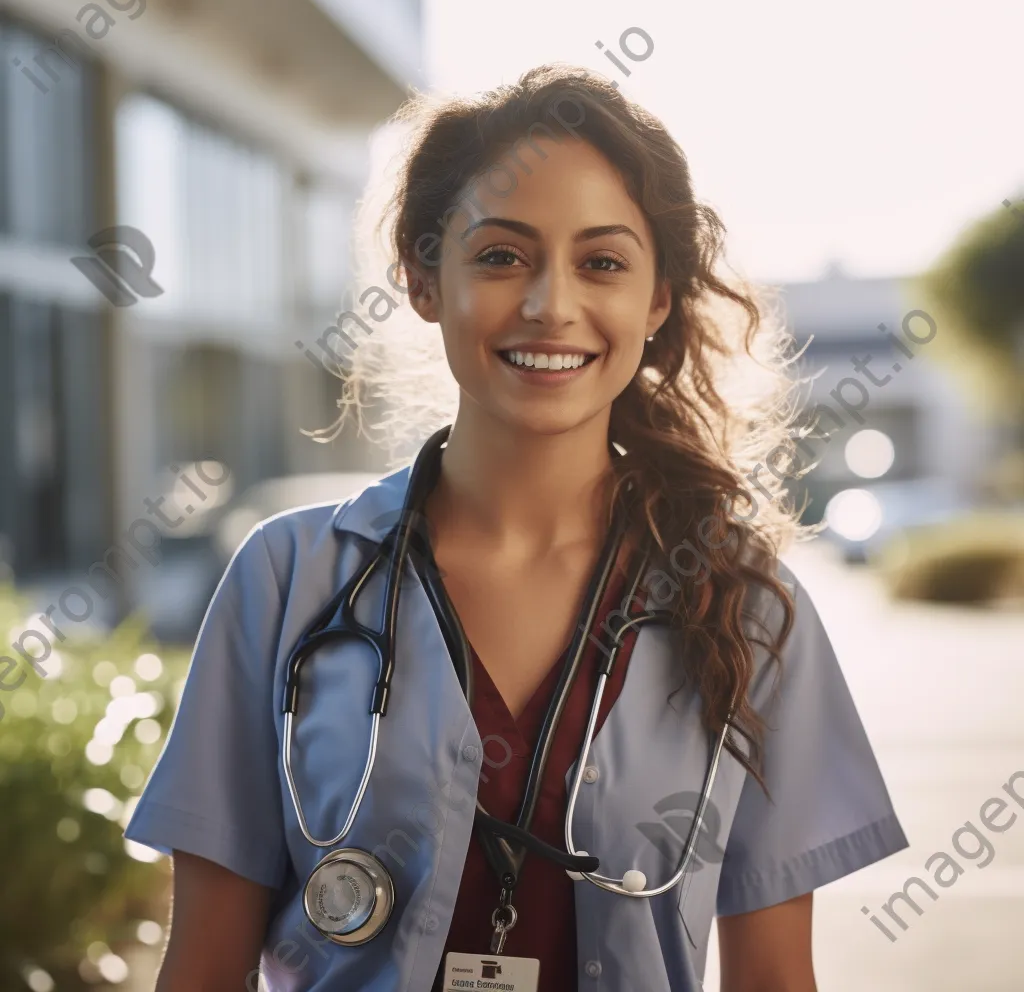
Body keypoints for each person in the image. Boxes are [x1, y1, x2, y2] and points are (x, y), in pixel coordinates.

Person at [125, 64, 909, 992]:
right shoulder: (286, 579)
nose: (550, 304)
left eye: (603, 262)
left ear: (657, 302)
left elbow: (775, 979)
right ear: (423, 279)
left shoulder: (744, 603)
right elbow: (204, 966)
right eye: (501, 256)